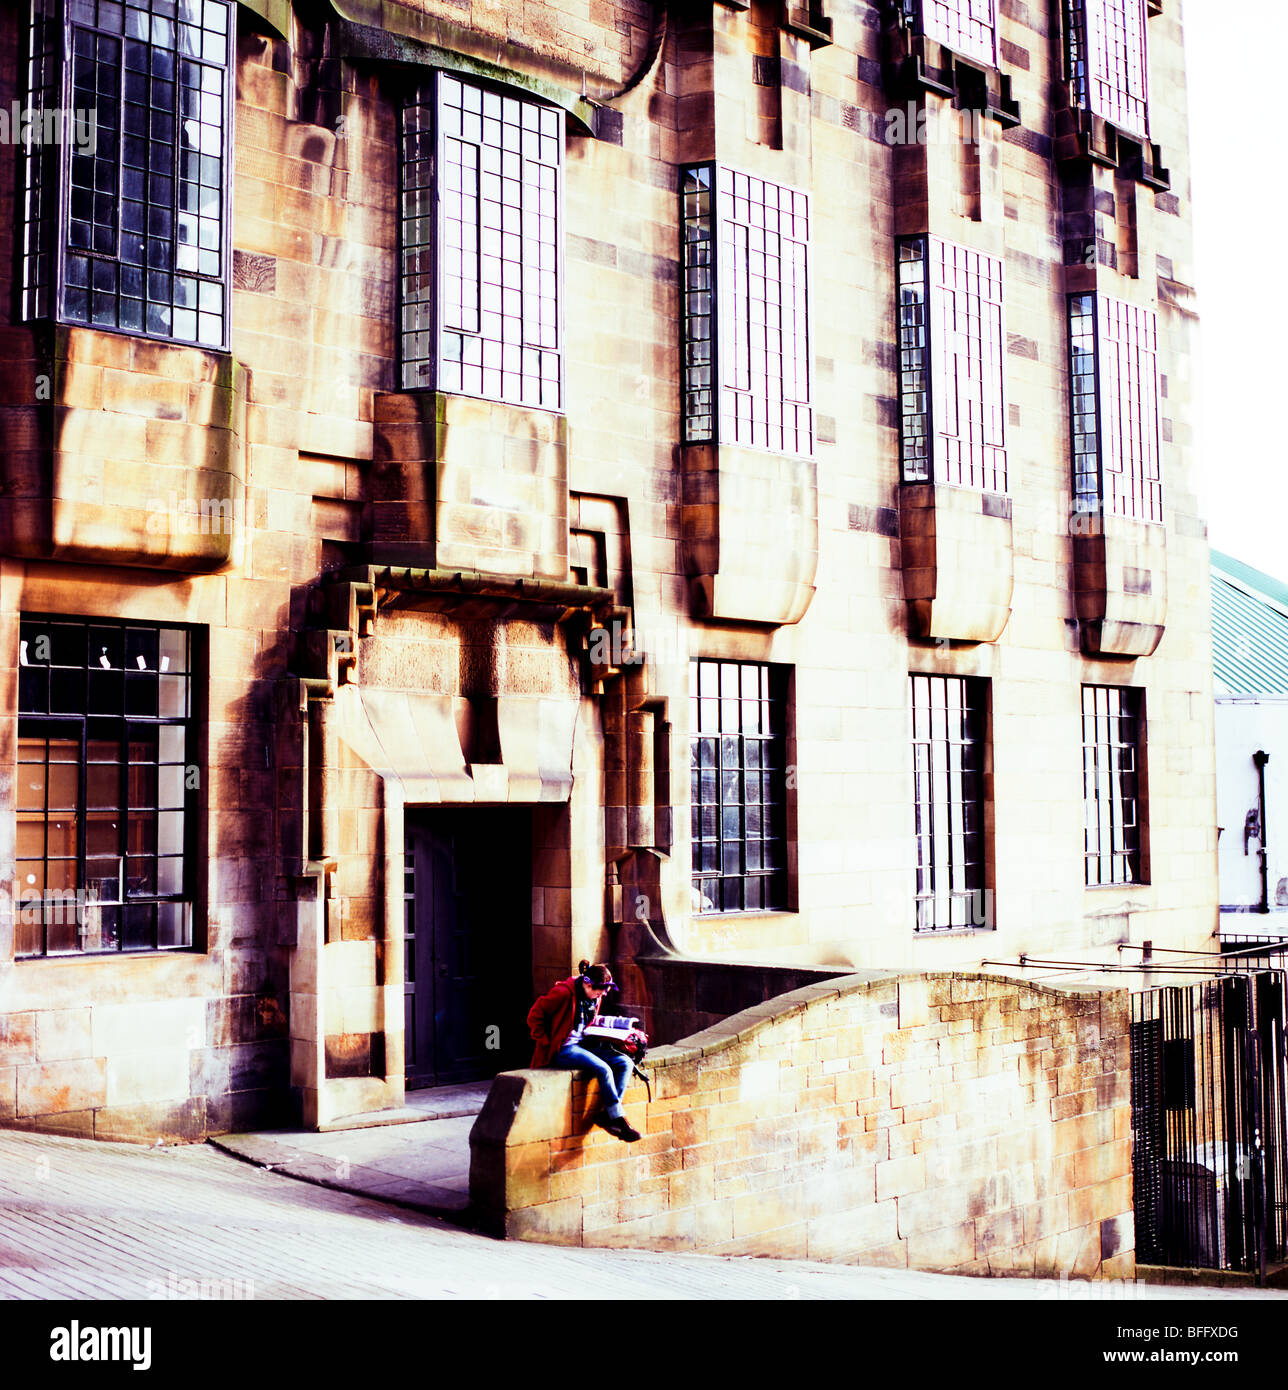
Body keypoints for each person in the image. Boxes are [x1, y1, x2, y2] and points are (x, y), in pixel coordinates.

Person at [527, 960, 641, 1142]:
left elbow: (592, 1020)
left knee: (625, 1062)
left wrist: (623, 1025)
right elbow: (535, 1014)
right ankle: (618, 1117)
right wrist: (546, 1041)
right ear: (587, 984)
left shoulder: (595, 995)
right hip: (563, 1049)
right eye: (599, 990)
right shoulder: (563, 993)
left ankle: (606, 1115)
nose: (602, 994)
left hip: (584, 1044)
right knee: (603, 1069)